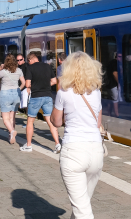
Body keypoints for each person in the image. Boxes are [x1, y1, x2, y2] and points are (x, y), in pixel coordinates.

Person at [50, 51, 104, 219]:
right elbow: (97, 124)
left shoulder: (63, 93)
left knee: (83, 211)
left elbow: (56, 121)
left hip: (74, 152)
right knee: (82, 203)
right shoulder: (96, 92)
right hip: (96, 152)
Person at [21, 52, 61, 153]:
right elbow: (54, 81)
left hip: (36, 97)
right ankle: (57, 144)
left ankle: (29, 146)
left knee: (30, 121)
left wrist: (33, 86)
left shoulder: (30, 68)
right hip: (47, 96)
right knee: (50, 121)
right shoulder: (47, 67)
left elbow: (27, 84)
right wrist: (45, 85)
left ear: (30, 60)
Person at [0, 55, 26, 144]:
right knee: (12, 117)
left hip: (5, 94)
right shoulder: (19, 70)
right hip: (16, 94)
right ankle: (11, 136)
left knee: (5, 119)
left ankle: (12, 131)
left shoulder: (3, 71)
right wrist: (19, 88)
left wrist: (0, 68)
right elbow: (24, 82)